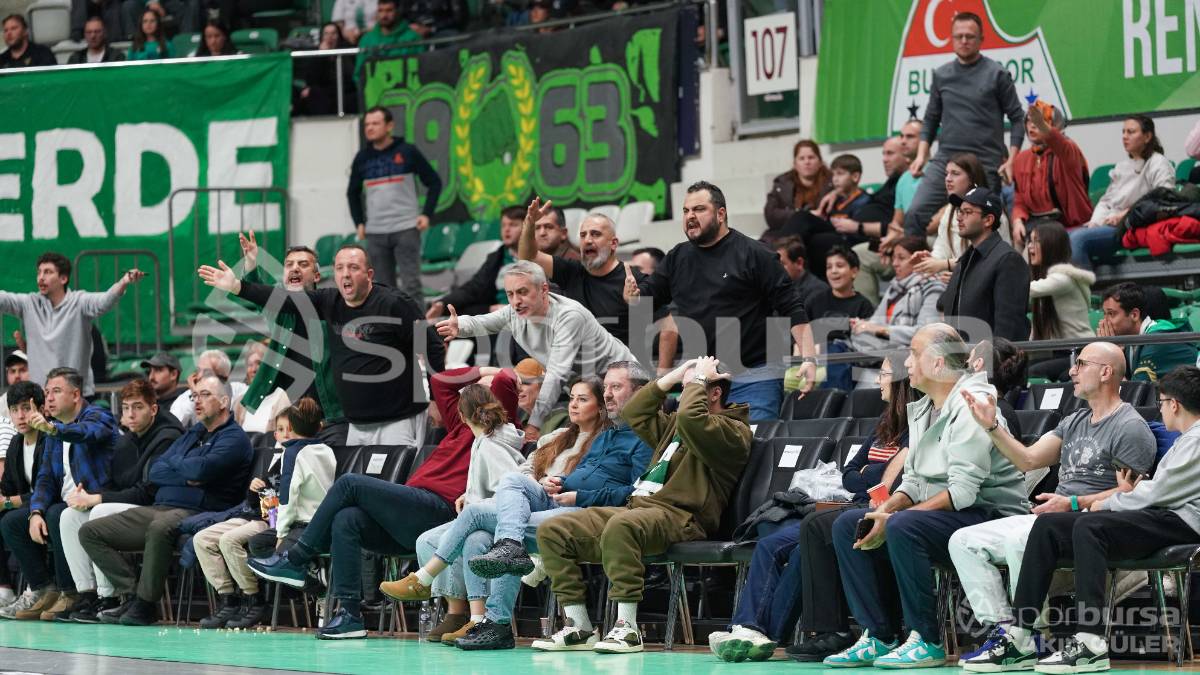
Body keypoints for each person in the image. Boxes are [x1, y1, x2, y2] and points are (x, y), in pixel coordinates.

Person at [247, 367, 523, 639]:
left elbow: (506, 379)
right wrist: (481, 372)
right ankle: (350, 616)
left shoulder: (495, 429)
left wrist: (495, 371)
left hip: (439, 509)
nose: (474, 388)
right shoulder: (460, 426)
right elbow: (440, 381)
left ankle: (296, 559)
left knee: (349, 483)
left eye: (484, 388)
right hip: (410, 513)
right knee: (348, 519)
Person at [972, 366, 1200, 674]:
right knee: (1049, 525)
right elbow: (1153, 492)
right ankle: (1021, 636)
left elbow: (1158, 493)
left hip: (1183, 521)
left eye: (1161, 402)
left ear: (1174, 404)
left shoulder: (1197, 441)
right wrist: (1116, 499)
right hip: (1162, 514)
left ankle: (1090, 642)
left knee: (1089, 526)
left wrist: (1104, 503)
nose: (1159, 409)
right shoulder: (1186, 439)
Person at [824, 324, 1026, 668]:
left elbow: (963, 491)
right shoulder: (924, 408)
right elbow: (914, 481)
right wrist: (884, 511)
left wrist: (896, 518)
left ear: (937, 364)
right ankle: (879, 634)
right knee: (850, 524)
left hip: (992, 514)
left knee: (904, 525)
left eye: (914, 355)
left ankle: (926, 639)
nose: (908, 365)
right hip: (948, 513)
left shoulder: (971, 404)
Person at [953, 341, 1156, 671]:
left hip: (1089, 523)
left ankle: (1033, 633)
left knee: (1019, 540)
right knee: (962, 541)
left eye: (1081, 364)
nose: (1071, 371)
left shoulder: (1130, 428)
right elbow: (1028, 459)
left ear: (1106, 372)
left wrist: (1074, 502)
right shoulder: (1074, 420)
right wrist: (992, 426)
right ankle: (1008, 633)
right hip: (1054, 517)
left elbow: (1130, 496)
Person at [533, 356, 749, 654]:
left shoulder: (733, 432)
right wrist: (675, 375)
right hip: (640, 510)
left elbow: (691, 418)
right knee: (554, 529)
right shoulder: (673, 426)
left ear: (714, 393)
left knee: (623, 525)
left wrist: (697, 380)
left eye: (694, 388)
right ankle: (579, 627)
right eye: (684, 389)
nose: (684, 393)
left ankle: (628, 629)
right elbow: (635, 410)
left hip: (682, 517)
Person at [710, 353, 914, 663]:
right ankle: (746, 627)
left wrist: (866, 476)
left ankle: (765, 636)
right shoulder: (882, 425)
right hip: (849, 503)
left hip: (874, 510)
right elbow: (849, 472)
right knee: (768, 545)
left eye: (884, 374)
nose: (878, 380)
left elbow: (895, 480)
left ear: (900, 381)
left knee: (804, 544)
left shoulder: (915, 426)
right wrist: (871, 475)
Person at [434, 362, 655, 650]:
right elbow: (582, 474)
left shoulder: (646, 438)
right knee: (508, 488)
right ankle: (486, 611)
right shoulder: (605, 436)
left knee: (482, 527)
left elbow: (637, 493)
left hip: (590, 513)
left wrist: (578, 497)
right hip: (557, 500)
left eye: (616, 387)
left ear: (640, 393)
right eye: (607, 388)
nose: (608, 394)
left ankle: (489, 617)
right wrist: (560, 481)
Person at [388, 377, 612, 646]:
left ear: (600, 406)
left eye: (583, 399)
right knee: (483, 527)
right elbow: (525, 470)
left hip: (570, 504)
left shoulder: (604, 442)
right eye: (572, 398)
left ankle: (426, 579)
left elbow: (595, 480)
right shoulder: (554, 438)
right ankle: (484, 621)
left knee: (477, 521)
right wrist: (538, 482)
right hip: (535, 499)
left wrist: (565, 483)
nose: (574, 405)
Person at [200, 244, 439, 446]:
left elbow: (431, 345)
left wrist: (438, 400)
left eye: (353, 268)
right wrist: (238, 285)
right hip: (347, 421)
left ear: (369, 274)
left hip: (373, 418)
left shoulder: (392, 304)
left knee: (389, 483)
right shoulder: (325, 302)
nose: (346, 274)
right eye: (340, 268)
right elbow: (275, 300)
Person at [628, 181, 818, 421]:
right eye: (686, 211)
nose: (690, 216)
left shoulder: (755, 254)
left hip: (755, 374)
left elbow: (793, 307)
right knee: (701, 452)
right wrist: (633, 296)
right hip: (703, 378)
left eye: (699, 209)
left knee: (754, 445)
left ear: (720, 213)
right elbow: (647, 299)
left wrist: (809, 358)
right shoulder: (677, 257)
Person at [79, 374, 254, 626]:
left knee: (160, 527)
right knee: (90, 531)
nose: (197, 401)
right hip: (161, 506)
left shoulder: (234, 438)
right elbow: (156, 471)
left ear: (225, 401)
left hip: (200, 511)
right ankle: (131, 593)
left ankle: (145, 605)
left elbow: (200, 471)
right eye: (194, 396)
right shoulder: (194, 434)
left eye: (205, 395)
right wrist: (186, 471)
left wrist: (182, 468)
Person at [436, 260, 636, 443]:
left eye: (522, 292)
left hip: (626, 383)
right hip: (589, 391)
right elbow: (482, 322)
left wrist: (534, 424)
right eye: (510, 294)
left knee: (627, 444)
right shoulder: (513, 312)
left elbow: (556, 375)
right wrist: (459, 325)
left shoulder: (569, 316)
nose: (516, 301)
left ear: (544, 290)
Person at [54, 378, 184, 622]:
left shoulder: (168, 438)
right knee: (69, 516)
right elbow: (115, 483)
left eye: (138, 407)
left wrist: (98, 498)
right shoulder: (126, 441)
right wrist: (88, 495)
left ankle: (110, 596)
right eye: (126, 408)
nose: (131, 414)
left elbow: (147, 492)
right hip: (131, 505)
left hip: (157, 508)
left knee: (99, 511)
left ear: (153, 409)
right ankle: (89, 594)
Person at [0, 368, 120, 622]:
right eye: (47, 393)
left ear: (76, 394)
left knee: (57, 512)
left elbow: (88, 433)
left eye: (56, 391)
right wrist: (35, 511)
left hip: (98, 499)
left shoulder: (98, 415)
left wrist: (54, 429)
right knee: (12, 522)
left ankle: (72, 593)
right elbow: (45, 479)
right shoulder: (53, 432)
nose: (50, 398)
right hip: (64, 503)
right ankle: (44, 588)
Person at [903, 11, 1025, 237]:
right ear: (951, 39)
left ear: (981, 39)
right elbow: (931, 118)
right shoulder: (941, 75)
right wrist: (922, 154)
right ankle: (919, 270)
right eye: (958, 36)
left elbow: (1018, 118)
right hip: (947, 159)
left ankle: (985, 271)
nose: (964, 41)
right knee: (915, 215)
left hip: (985, 160)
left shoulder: (997, 74)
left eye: (970, 36)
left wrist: (1012, 160)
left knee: (984, 221)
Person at [234, 235, 347, 445]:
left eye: (303, 265)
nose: (295, 268)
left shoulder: (333, 307)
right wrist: (250, 262)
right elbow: (257, 292)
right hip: (293, 420)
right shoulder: (280, 311)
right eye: (289, 265)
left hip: (332, 418)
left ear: (316, 276)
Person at [516, 199, 658, 349]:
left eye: (595, 234)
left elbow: (669, 324)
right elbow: (527, 257)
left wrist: (662, 370)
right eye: (583, 235)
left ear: (614, 244)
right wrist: (529, 224)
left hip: (620, 363)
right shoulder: (571, 271)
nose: (588, 240)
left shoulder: (635, 280)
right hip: (577, 363)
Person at [0, 253, 143, 399]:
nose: (41, 277)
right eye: (39, 272)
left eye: (48, 272)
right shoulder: (28, 304)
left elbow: (104, 301)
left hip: (76, 397)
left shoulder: (80, 302)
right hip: (41, 397)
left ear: (63, 278)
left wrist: (124, 281)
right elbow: (3, 299)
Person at [346, 105, 443, 300]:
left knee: (411, 285)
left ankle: (418, 330)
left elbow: (434, 182)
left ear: (389, 126)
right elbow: (352, 192)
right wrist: (359, 222)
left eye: (375, 123)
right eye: (367, 124)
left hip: (406, 228)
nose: (370, 128)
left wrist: (426, 214)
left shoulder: (407, 151)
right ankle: (389, 330)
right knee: (382, 289)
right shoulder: (362, 158)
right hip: (376, 232)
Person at [1070, 115, 1175, 269]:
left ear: (1147, 136)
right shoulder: (1122, 166)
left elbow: (1162, 200)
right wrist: (1095, 223)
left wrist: (1125, 214)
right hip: (1108, 224)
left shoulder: (1158, 163)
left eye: (1131, 132)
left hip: (1130, 227)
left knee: (1078, 239)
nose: (1125, 137)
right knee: (1058, 238)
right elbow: (1106, 201)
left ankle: (1082, 292)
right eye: (1123, 132)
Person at [936, 187, 1031, 343]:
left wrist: (993, 361)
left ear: (988, 220)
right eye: (960, 211)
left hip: (990, 363)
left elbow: (1008, 328)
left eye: (967, 212)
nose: (959, 217)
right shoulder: (965, 261)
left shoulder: (1007, 260)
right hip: (961, 360)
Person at [1009, 100, 1092, 249]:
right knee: (1018, 246)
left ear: (1055, 126)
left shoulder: (1068, 151)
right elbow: (1019, 199)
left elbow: (1059, 142)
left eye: (1040, 122)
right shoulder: (1022, 158)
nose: (1032, 125)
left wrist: (1043, 126)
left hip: (1070, 226)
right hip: (1037, 226)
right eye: (1029, 121)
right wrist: (1017, 221)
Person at [911, 152, 1007, 278]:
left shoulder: (991, 210)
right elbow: (942, 248)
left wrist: (948, 267)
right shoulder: (951, 208)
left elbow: (992, 260)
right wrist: (930, 260)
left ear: (972, 179)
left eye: (955, 174)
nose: (948, 179)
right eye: (947, 173)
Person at [851, 133, 919, 303]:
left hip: (917, 242)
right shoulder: (901, 180)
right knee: (858, 253)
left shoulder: (931, 177)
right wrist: (889, 242)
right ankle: (866, 322)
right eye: (883, 154)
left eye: (890, 153)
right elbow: (896, 222)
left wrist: (896, 241)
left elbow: (926, 224)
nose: (884, 159)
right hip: (892, 242)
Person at [849, 236, 945, 352]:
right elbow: (876, 322)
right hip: (887, 350)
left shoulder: (934, 288)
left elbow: (925, 333)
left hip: (913, 355)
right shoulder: (895, 287)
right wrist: (862, 325)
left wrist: (880, 330)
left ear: (920, 261)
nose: (894, 263)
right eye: (893, 258)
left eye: (901, 258)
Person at [1026, 221, 1095, 381]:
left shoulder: (1063, 279)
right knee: (1022, 368)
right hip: (1060, 352)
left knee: (1032, 373)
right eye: (1030, 241)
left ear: (1051, 245)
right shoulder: (1049, 278)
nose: (1030, 247)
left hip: (1079, 352)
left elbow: (1025, 289)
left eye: (1036, 241)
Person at [429, 205, 524, 319]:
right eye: (503, 225)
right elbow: (474, 288)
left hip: (526, 316)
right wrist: (443, 304)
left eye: (513, 225)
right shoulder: (497, 257)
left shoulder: (540, 257)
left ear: (526, 227)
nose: (506, 229)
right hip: (500, 315)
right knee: (457, 314)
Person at [0, 382, 46, 613]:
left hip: (48, 505)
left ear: (40, 408)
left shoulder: (50, 438)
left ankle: (39, 588)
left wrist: (8, 502)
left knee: (11, 519)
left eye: (25, 408)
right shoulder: (16, 444)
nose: (20, 416)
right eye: (14, 409)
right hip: (26, 506)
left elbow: (48, 489)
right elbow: (7, 486)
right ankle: (3, 589)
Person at [1097, 282, 1198, 382]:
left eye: (1111, 314)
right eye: (1105, 314)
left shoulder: (1156, 342)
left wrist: (1111, 356)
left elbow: (1134, 393)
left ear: (1134, 315)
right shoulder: (1130, 342)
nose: (1104, 321)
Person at [806, 246, 874, 390]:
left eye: (840, 266)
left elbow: (865, 344)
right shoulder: (814, 301)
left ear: (854, 271)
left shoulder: (863, 305)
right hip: (812, 358)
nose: (833, 271)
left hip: (845, 361)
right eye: (829, 267)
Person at [763, 140, 832, 244]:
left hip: (818, 232)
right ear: (795, 163)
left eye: (811, 157)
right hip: (785, 231)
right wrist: (800, 214)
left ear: (820, 161)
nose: (807, 162)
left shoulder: (832, 182)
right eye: (802, 158)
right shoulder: (782, 184)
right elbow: (771, 215)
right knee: (762, 244)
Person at [170, 350, 248, 427]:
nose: (199, 376)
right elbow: (173, 426)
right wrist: (195, 394)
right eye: (198, 370)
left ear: (224, 377)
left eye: (207, 373)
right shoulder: (186, 397)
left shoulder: (239, 389)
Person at [296, 22, 358, 116]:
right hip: (324, 93)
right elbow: (312, 80)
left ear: (339, 36)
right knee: (313, 94)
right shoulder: (316, 54)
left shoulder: (346, 52)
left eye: (333, 33)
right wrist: (322, 56)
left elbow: (349, 78)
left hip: (343, 91)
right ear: (322, 37)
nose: (330, 37)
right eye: (326, 33)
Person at [353, 0, 422, 81]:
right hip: (373, 91)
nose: (384, 15)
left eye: (389, 10)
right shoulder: (366, 39)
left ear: (398, 11)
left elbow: (420, 70)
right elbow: (359, 73)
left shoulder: (413, 38)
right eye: (380, 10)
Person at [773, 236, 829, 309]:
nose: (776, 269)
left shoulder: (819, 291)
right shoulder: (778, 287)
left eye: (782, 264)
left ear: (799, 263)